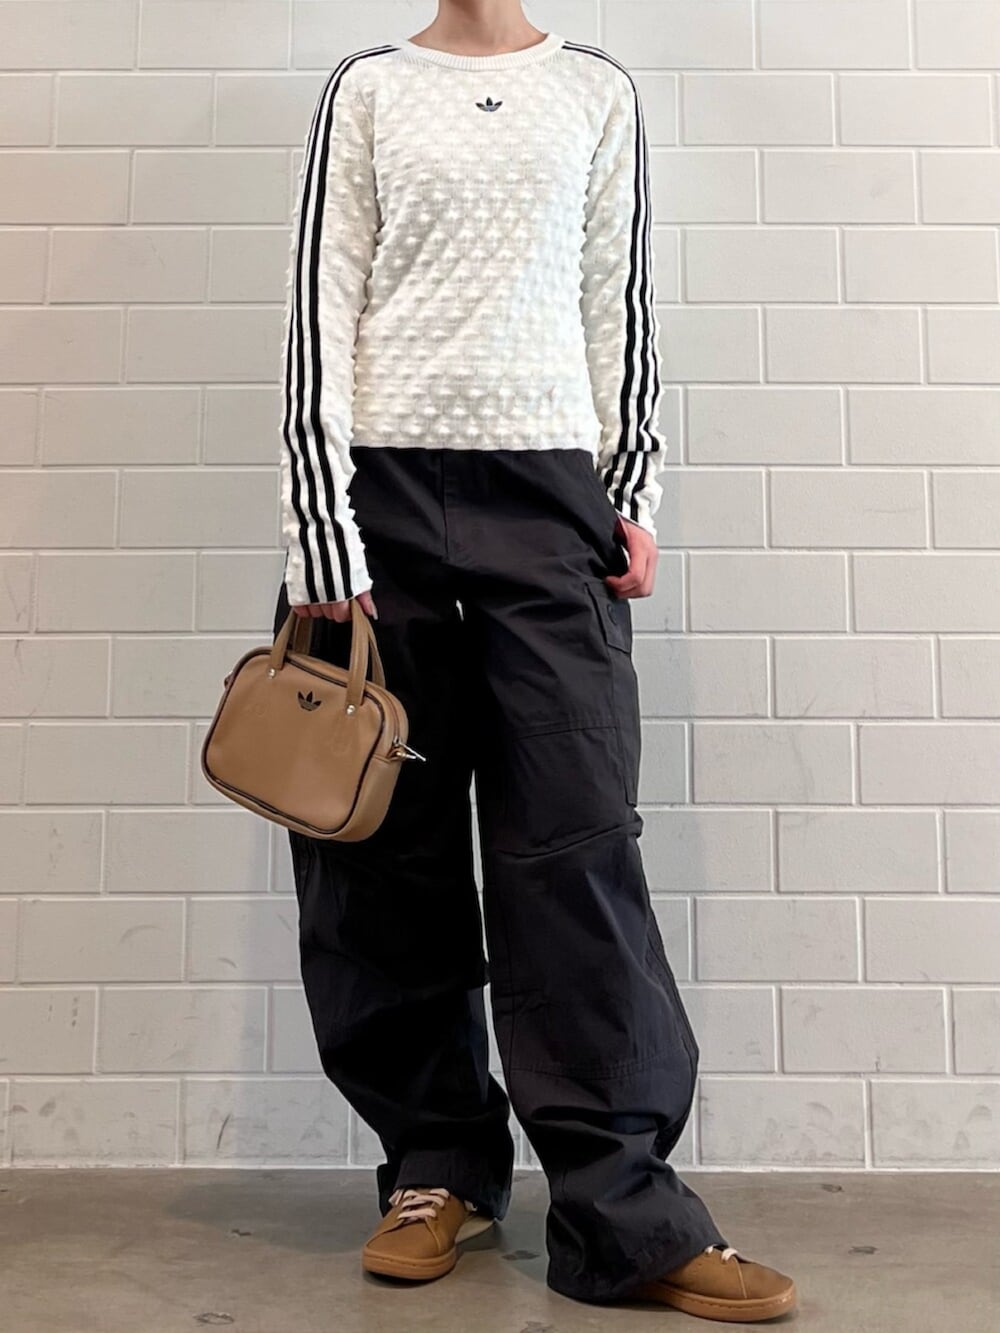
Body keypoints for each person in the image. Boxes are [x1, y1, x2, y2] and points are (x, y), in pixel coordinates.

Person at [272, 1, 797, 1322]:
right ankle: (434, 1166)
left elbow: (617, 299)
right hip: (378, 502)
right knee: (379, 853)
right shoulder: (367, 88)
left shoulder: (598, 92)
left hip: (552, 496)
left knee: (576, 848)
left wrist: (630, 492)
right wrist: (321, 524)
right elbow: (319, 306)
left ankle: (623, 1209)